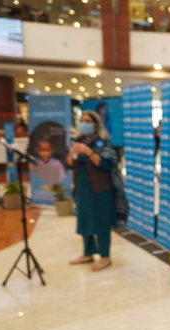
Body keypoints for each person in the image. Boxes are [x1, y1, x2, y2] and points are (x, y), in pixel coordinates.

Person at [66, 110, 121, 271]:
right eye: (82, 120)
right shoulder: (77, 141)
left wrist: (88, 151)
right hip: (82, 189)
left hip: (101, 189)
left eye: (88, 121)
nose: (84, 124)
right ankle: (88, 253)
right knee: (84, 220)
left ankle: (105, 256)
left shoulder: (103, 142)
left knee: (101, 221)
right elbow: (69, 164)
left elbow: (106, 164)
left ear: (96, 125)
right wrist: (72, 152)